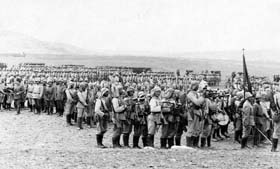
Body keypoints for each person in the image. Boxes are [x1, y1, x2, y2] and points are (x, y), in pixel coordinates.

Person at [186, 81, 205, 147]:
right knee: (191, 128)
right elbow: (197, 102)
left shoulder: (196, 94)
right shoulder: (190, 94)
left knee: (197, 129)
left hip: (197, 112)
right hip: (192, 113)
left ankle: (195, 144)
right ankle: (189, 144)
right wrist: (202, 97)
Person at [272, 87, 280, 152]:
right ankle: (274, 148)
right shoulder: (278, 96)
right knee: (276, 132)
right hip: (278, 114)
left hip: (276, 114)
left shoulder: (275, 96)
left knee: (276, 131)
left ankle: (274, 147)